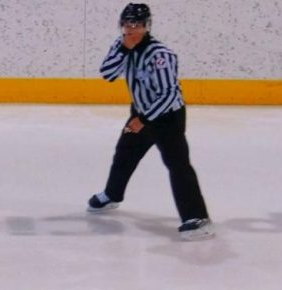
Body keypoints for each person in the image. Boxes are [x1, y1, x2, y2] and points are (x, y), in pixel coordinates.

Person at [86, 3, 214, 240]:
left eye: (136, 25)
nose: (130, 29)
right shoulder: (122, 44)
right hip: (141, 113)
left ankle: (197, 218)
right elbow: (107, 73)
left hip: (167, 117)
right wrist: (124, 49)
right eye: (126, 24)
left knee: (177, 164)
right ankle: (112, 195)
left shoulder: (161, 56)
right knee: (124, 154)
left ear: (147, 26)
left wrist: (143, 120)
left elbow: (167, 95)